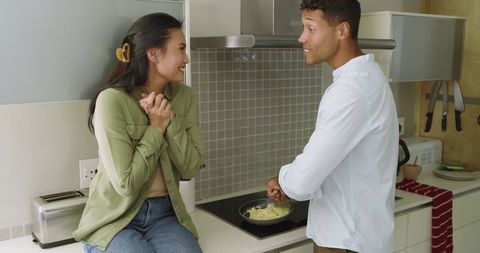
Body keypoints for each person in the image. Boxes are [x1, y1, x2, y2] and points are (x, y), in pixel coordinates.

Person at [266, 1, 398, 253]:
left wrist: (283, 180)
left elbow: (303, 182)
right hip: (357, 236)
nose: (301, 38)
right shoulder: (367, 76)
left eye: (311, 28)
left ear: (342, 31)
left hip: (346, 242)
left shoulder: (351, 90)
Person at [73, 13, 205, 253]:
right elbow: (126, 184)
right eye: (181, 48)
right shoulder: (112, 101)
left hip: (167, 215)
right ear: (153, 53)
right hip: (114, 218)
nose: (186, 58)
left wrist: (169, 121)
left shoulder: (185, 97)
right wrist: (156, 129)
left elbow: (191, 168)